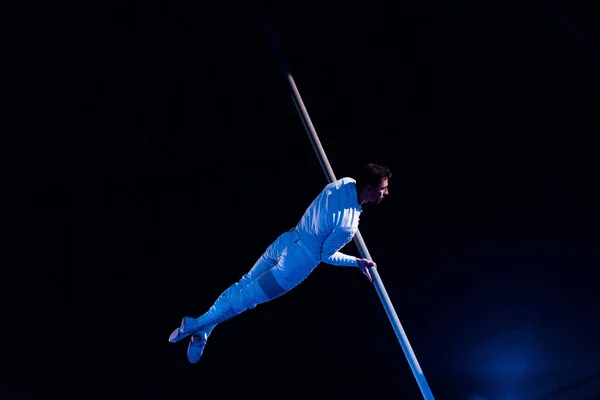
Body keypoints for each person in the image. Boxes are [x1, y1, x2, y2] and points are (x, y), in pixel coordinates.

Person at [168, 163, 392, 363]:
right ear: (369, 188)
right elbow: (326, 255)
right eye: (383, 188)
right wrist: (355, 261)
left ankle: (204, 329)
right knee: (247, 299)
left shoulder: (344, 182)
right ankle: (195, 325)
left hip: (286, 240)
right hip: (296, 266)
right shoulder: (348, 225)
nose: (386, 192)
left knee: (244, 284)